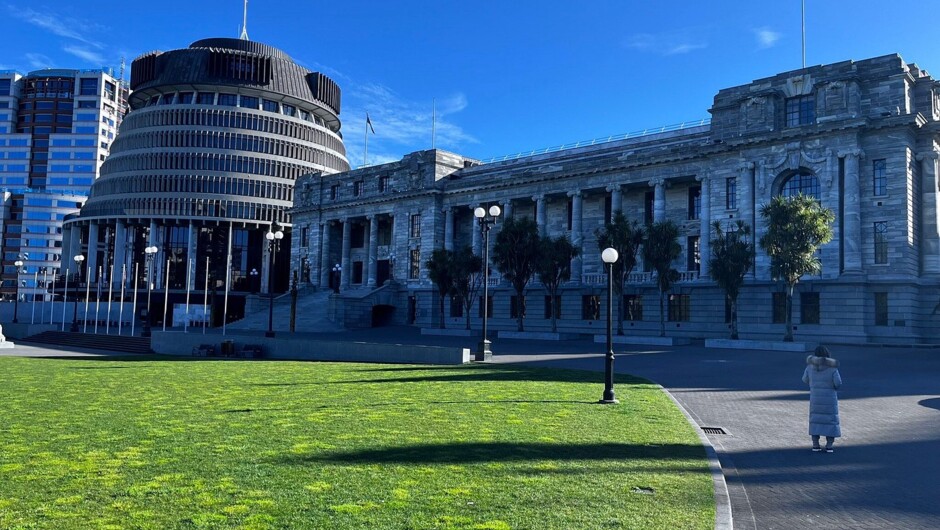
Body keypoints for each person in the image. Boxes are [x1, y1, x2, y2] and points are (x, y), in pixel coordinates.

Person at [802, 345, 842, 452]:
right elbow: (838, 383)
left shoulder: (809, 367)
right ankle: (829, 445)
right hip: (829, 399)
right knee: (831, 421)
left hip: (815, 398)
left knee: (815, 420)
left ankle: (816, 445)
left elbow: (805, 379)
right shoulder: (832, 368)